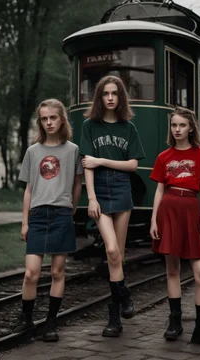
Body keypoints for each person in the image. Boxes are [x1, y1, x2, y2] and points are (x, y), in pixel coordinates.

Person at [150, 107, 200, 350]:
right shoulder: (163, 156)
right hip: (168, 210)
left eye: (182, 125)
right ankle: (175, 322)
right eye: (174, 125)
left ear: (191, 128)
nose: (177, 129)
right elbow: (159, 190)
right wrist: (154, 220)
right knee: (172, 269)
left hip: (192, 211)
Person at [80, 75, 145, 337]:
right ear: (99, 97)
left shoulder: (128, 128)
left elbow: (132, 165)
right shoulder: (89, 126)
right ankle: (121, 301)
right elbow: (87, 164)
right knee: (111, 250)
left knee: (118, 254)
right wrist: (92, 198)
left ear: (120, 97)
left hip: (122, 189)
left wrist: (102, 160)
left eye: (114, 93)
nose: (109, 97)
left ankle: (116, 317)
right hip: (101, 192)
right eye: (105, 93)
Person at [13, 99, 83, 342]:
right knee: (31, 273)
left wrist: (71, 209)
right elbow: (29, 190)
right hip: (38, 216)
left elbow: (77, 184)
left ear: (62, 119)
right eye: (44, 118)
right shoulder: (33, 152)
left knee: (57, 271)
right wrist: (25, 222)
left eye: (53, 117)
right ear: (40, 121)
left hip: (61, 214)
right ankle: (26, 318)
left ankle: (51, 323)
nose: (49, 122)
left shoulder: (72, 149)